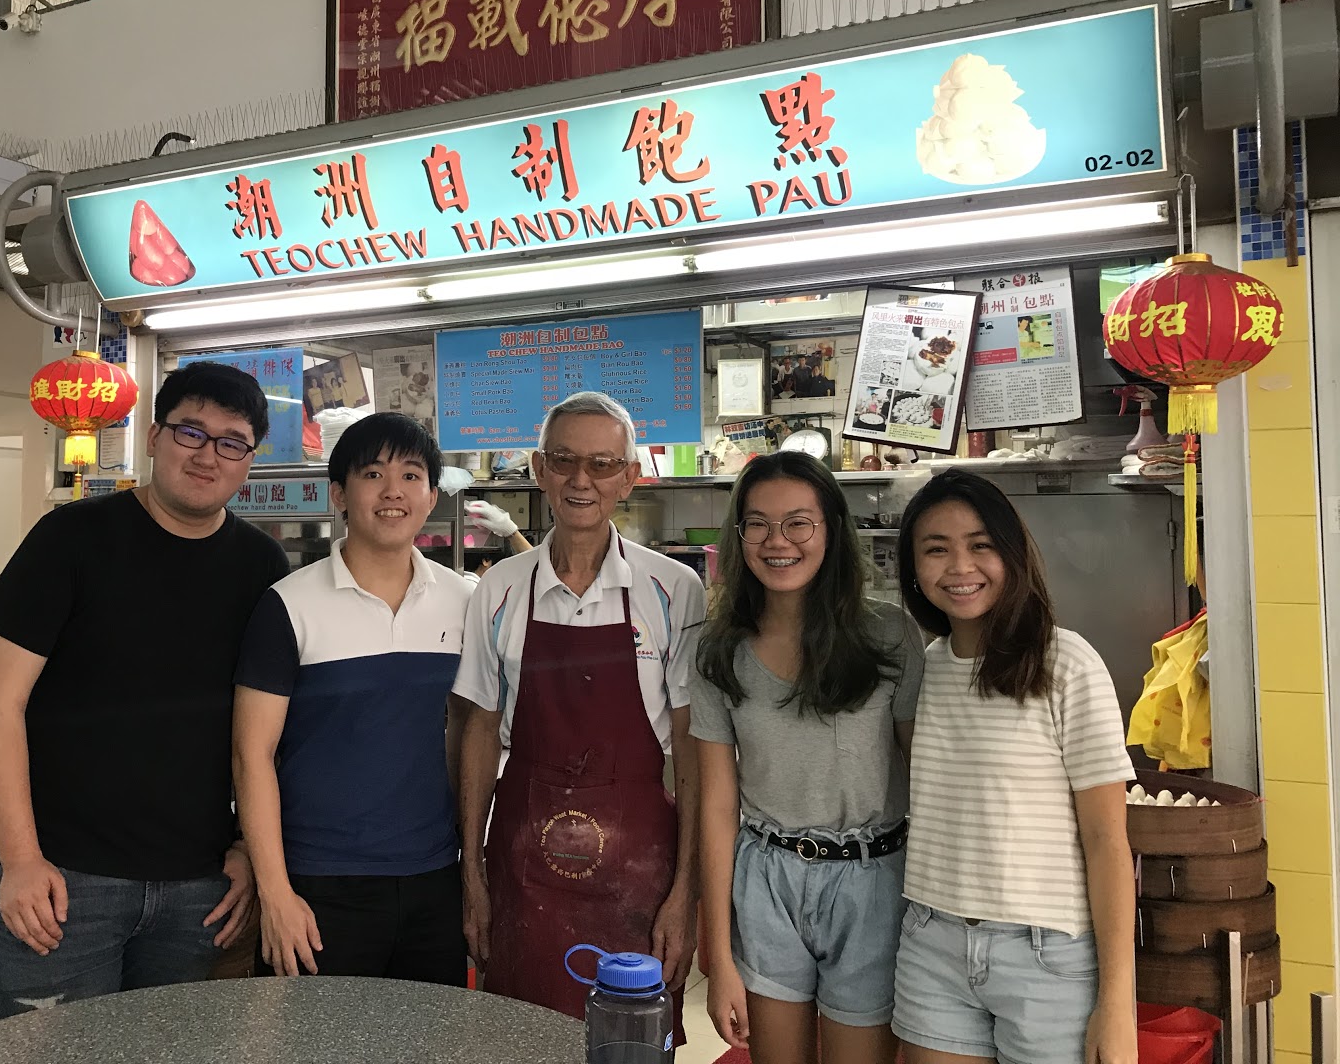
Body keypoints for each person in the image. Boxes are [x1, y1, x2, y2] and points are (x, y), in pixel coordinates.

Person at [0, 361, 288, 1019]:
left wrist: (243, 848)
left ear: (250, 459)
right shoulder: (71, 539)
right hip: (64, 881)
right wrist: (23, 860)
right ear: (153, 436)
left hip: (199, 888)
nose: (208, 455)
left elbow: (261, 730)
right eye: (190, 432)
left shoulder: (261, 565)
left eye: (232, 441)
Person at [455, 391, 705, 1029]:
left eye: (601, 464)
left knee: (629, 1040)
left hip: (640, 868)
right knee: (519, 1036)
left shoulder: (673, 590)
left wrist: (687, 890)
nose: (580, 480)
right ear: (539, 471)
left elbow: (694, 746)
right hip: (521, 859)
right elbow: (480, 730)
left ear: (629, 476)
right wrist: (473, 874)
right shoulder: (500, 589)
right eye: (564, 461)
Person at [893, 469, 1136, 1064]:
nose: (959, 567)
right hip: (932, 941)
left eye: (980, 546)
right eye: (936, 550)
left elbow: (1107, 840)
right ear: (914, 570)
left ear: (1013, 554)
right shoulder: (922, 671)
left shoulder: (1067, 662)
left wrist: (1118, 1001)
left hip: (1047, 954)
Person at [691, 453, 924, 1064]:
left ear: (831, 530)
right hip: (767, 876)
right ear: (739, 537)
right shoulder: (719, 651)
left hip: (874, 878)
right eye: (758, 525)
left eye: (799, 523)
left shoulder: (889, 636)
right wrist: (718, 955)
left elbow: (925, 777)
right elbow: (717, 805)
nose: (778, 542)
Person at [234, 413, 473, 984]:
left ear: (432, 495)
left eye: (412, 475)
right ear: (339, 494)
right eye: (373, 473)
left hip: (434, 880)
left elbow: (473, 734)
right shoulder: (288, 605)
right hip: (318, 884)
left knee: (425, 1044)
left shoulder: (466, 600)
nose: (394, 491)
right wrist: (276, 894)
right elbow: (251, 756)